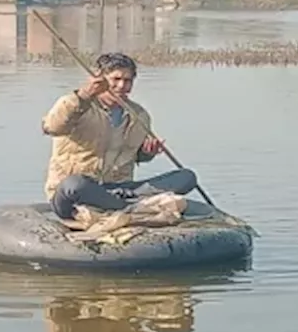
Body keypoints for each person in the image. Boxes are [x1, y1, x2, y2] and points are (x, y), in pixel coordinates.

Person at [41, 52, 198, 220]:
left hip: (120, 189)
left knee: (186, 177)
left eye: (128, 80)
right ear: (101, 79)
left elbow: (136, 156)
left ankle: (123, 205)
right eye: (116, 79)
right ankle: (131, 209)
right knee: (74, 185)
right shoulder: (75, 104)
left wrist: (148, 152)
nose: (122, 85)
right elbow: (52, 127)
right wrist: (84, 95)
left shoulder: (138, 115)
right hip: (80, 192)